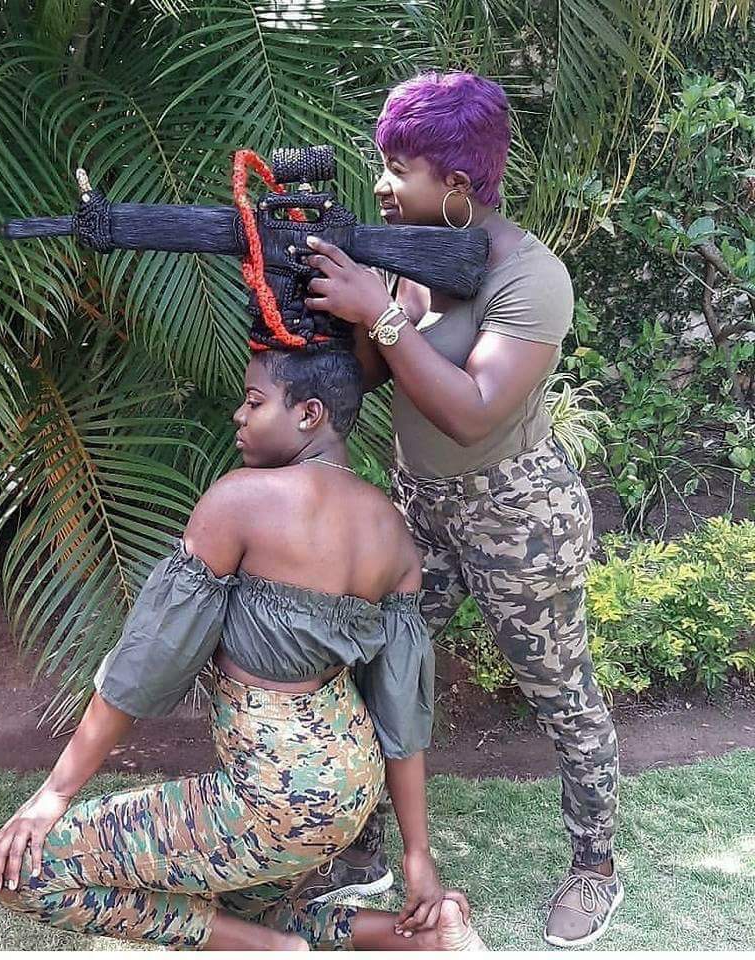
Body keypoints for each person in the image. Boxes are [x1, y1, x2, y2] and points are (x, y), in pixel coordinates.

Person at [0, 346, 486, 950]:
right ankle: (422, 941)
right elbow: (400, 710)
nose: (238, 417)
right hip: (350, 791)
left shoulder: (242, 500)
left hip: (275, 797)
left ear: (309, 414)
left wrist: (55, 795)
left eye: (254, 402)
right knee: (240, 908)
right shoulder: (391, 532)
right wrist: (416, 854)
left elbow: (146, 662)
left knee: (25, 871)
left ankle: (272, 951)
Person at [291, 71, 622, 948]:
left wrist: (381, 314)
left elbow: (472, 411)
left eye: (399, 169)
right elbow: (369, 376)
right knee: (380, 667)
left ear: (459, 186)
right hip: (421, 507)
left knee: (560, 691)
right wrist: (336, 303)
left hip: (520, 514)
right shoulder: (410, 256)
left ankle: (595, 867)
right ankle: (363, 850)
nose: (381, 184)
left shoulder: (532, 278)